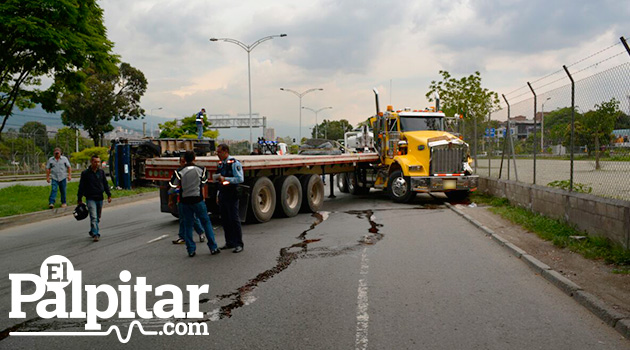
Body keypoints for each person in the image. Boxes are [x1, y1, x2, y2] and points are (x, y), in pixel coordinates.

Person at [170, 151, 219, 257]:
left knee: (188, 225)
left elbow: (172, 186)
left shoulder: (179, 171)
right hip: (198, 200)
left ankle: (191, 250)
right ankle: (213, 247)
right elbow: (203, 183)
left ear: (184, 159)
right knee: (206, 223)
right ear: (194, 158)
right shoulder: (202, 169)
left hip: (184, 202)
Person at [170, 155, 206, 244]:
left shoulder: (193, 171)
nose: (184, 164)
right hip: (182, 199)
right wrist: (171, 199)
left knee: (193, 218)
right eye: (182, 162)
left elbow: (202, 185)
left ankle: (201, 232)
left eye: (184, 161)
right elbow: (172, 187)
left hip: (193, 198)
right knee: (182, 218)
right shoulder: (179, 173)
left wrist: (203, 196)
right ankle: (182, 236)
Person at [215, 144, 245, 253]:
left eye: (219, 152)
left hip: (232, 194)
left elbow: (240, 179)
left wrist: (225, 178)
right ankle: (229, 242)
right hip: (223, 193)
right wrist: (218, 194)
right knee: (225, 219)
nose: (217, 154)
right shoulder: (220, 164)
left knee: (234, 219)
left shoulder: (234, 163)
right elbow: (219, 181)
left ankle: (239, 243)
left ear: (225, 151)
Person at [78, 155, 112, 242]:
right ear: (91, 162)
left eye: (98, 162)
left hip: (99, 197)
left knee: (97, 217)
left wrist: (109, 195)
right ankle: (96, 234)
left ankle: (92, 230)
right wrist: (79, 198)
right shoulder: (85, 173)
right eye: (95, 162)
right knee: (93, 216)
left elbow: (105, 183)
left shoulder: (101, 172)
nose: (97, 164)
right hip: (90, 198)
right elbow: (81, 186)